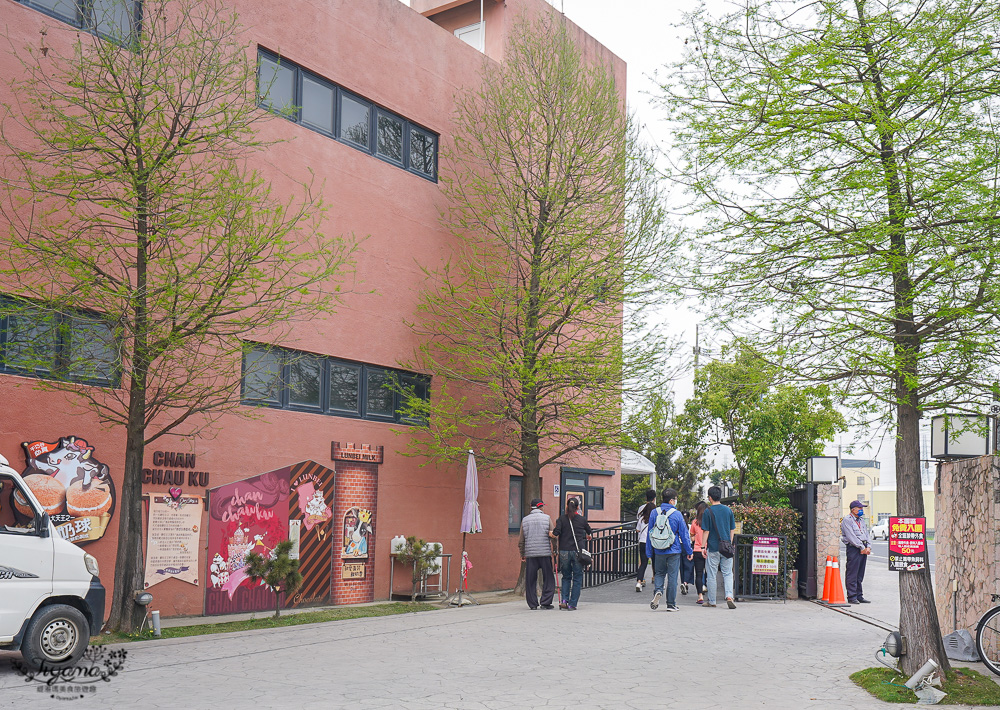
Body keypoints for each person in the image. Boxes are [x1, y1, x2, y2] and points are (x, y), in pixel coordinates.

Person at [645, 488, 693, 612]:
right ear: (672, 500)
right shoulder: (677, 514)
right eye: (675, 499)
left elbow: (650, 533)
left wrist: (649, 552)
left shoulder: (654, 512)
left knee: (659, 573)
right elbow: (684, 534)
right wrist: (689, 551)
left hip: (658, 549)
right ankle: (671, 604)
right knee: (672, 577)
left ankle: (658, 591)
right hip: (674, 550)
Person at [552, 498, 593, 610]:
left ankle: (564, 600)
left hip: (564, 551)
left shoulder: (561, 519)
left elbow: (556, 532)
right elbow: (589, 530)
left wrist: (551, 534)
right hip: (577, 552)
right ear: (578, 507)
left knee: (566, 577)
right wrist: (588, 535)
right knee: (577, 577)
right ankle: (572, 604)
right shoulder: (581, 519)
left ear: (567, 506)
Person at [702, 485, 737, 609]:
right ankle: (729, 596)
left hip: (713, 548)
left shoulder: (708, 511)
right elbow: (732, 529)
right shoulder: (728, 510)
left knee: (711, 574)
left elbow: (706, 531)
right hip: (726, 548)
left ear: (710, 498)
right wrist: (729, 543)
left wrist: (702, 547)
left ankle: (712, 601)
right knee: (728, 573)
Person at [518, 498, 556, 609]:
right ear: (541, 507)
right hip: (545, 553)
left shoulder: (525, 520)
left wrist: (522, 553)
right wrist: (555, 550)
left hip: (531, 555)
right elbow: (553, 535)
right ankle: (545, 602)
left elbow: (521, 539)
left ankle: (533, 604)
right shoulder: (547, 518)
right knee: (548, 578)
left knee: (530, 580)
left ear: (531, 507)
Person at [841, 500, 872, 604]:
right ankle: (852, 596)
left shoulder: (861, 520)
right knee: (852, 573)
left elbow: (866, 533)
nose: (861, 511)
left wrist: (868, 546)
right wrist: (861, 547)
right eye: (860, 509)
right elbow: (851, 536)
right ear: (853, 509)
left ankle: (859, 595)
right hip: (854, 548)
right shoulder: (847, 520)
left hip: (863, 548)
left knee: (860, 573)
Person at [635, 489, 657, 592]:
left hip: (642, 541)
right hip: (653, 542)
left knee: (643, 562)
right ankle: (656, 578)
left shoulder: (641, 513)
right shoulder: (656, 512)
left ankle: (640, 581)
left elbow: (637, 529)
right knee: (655, 561)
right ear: (654, 499)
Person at [689, 501, 709, 604]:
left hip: (697, 550)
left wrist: (696, 538)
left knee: (699, 574)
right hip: (709, 550)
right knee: (710, 573)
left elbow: (691, 536)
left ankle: (700, 596)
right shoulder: (710, 522)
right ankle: (711, 595)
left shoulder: (695, 522)